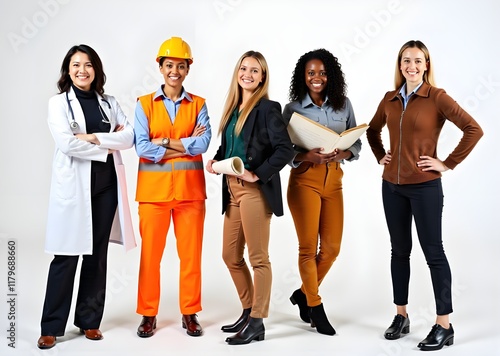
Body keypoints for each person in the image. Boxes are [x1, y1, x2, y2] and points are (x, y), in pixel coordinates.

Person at [366, 40, 483, 351]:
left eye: (418, 61)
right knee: (398, 251)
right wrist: (380, 155)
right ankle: (401, 316)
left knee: (434, 253)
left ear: (426, 65)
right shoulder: (390, 99)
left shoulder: (437, 97)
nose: (412, 66)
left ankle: (444, 324)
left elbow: (473, 128)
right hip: (391, 186)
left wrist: (447, 163)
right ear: (400, 65)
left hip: (425, 187)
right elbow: (371, 130)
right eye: (406, 61)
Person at [37, 44, 136, 350]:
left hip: (106, 187)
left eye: (89, 64)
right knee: (66, 256)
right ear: (68, 70)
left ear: (97, 70)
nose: (83, 70)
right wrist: (109, 144)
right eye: (76, 64)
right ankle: (52, 326)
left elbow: (130, 136)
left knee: (97, 256)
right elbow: (67, 145)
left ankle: (89, 321)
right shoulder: (58, 103)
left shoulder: (108, 102)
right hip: (75, 188)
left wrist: (93, 137)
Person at [206, 50, 294, 345]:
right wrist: (215, 161)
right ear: (237, 72)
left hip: (254, 191)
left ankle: (257, 322)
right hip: (231, 189)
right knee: (230, 255)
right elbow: (229, 146)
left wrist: (258, 174)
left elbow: (284, 149)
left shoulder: (268, 108)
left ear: (263, 77)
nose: (248, 74)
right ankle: (247, 310)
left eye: (255, 70)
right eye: (244, 68)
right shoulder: (232, 109)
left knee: (258, 258)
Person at [133, 36, 211, 338]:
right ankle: (148, 314)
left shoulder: (200, 104)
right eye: (169, 65)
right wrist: (184, 145)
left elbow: (203, 143)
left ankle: (190, 313)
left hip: (190, 194)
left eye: (180, 65)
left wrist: (162, 143)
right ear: (161, 67)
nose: (174, 71)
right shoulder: (144, 105)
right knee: (150, 259)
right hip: (153, 195)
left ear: (188, 69)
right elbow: (141, 147)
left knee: (191, 257)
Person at [282, 49, 361, 336]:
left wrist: (346, 152)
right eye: (311, 73)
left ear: (331, 76)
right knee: (307, 248)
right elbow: (283, 150)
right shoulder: (292, 109)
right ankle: (314, 305)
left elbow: (356, 142)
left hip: (334, 181)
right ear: (303, 77)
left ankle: (302, 294)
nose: (317, 78)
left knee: (331, 249)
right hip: (304, 181)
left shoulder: (344, 105)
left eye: (322, 73)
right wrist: (306, 157)